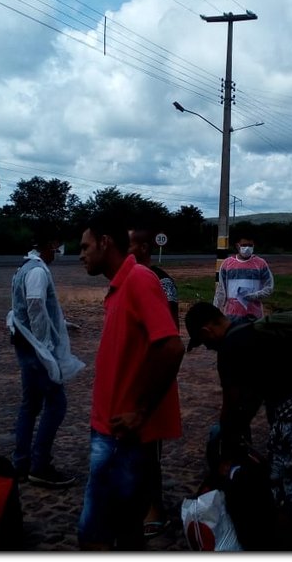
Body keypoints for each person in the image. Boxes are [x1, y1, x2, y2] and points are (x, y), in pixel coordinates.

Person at [184, 301, 292, 550]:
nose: (208, 347)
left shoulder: (230, 347)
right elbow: (254, 395)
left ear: (206, 331)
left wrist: (226, 452)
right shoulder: (250, 326)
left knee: (288, 494)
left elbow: (232, 405)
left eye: (204, 343)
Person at [77, 213, 185, 550]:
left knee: (94, 532)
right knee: (126, 527)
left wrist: (141, 411)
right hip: (110, 427)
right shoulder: (119, 285)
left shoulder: (139, 279)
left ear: (105, 242)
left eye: (85, 246)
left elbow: (171, 346)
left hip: (121, 434)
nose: (80, 254)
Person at [7, 224, 85, 487]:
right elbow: (36, 305)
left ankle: (21, 463)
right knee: (56, 403)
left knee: (30, 405)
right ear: (49, 245)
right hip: (36, 349)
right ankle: (39, 465)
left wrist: (62, 324)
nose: (59, 251)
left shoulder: (24, 268)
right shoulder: (38, 271)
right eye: (57, 245)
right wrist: (45, 347)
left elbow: (26, 309)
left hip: (26, 345)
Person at [128, 227, 178, 539]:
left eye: (130, 244)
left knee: (149, 446)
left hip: (150, 371)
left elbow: (169, 331)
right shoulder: (126, 278)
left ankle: (155, 506)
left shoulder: (162, 281)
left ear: (144, 247)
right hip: (128, 372)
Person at [213, 236, 274, 319]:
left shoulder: (261, 264)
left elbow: (269, 287)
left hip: (254, 316)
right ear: (237, 246)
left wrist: (255, 296)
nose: (247, 248)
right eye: (244, 245)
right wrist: (215, 311)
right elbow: (220, 291)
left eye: (250, 245)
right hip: (231, 315)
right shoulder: (227, 264)